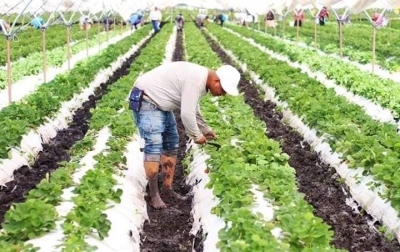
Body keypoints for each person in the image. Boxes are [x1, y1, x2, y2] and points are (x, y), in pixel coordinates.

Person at [128, 61, 240, 209]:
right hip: (147, 100)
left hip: (161, 103)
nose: (223, 95)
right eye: (223, 90)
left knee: (171, 142)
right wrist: (196, 136)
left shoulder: (201, 80)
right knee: (153, 145)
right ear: (216, 81)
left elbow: (192, 107)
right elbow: (187, 114)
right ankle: (154, 195)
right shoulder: (196, 80)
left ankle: (167, 190)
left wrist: (205, 129)